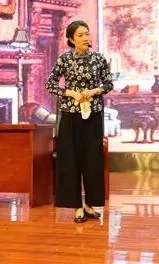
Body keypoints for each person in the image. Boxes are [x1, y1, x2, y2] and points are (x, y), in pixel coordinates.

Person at [46, 20, 113, 223]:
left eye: (87, 34)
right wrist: (71, 93)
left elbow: (108, 83)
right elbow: (50, 84)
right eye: (81, 35)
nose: (86, 38)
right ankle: (77, 207)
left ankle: (90, 205)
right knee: (71, 160)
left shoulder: (99, 59)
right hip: (71, 116)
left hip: (93, 116)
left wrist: (95, 90)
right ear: (71, 39)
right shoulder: (64, 59)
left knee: (93, 160)